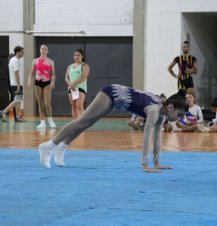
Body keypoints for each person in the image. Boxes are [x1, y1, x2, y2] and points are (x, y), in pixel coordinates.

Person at [38, 84, 188, 173]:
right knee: (82, 121)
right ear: (170, 106)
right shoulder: (154, 111)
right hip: (111, 93)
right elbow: (147, 137)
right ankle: (49, 146)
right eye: (179, 114)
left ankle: (62, 147)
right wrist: (145, 164)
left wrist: (156, 163)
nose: (179, 118)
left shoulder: (162, 114)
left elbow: (157, 139)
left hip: (117, 100)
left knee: (87, 123)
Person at [28, 44, 56, 129]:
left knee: (47, 104)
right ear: (40, 50)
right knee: (40, 103)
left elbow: (53, 74)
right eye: (42, 49)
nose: (44, 50)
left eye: (45, 49)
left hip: (47, 83)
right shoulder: (35, 61)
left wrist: (53, 81)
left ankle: (50, 120)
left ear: (47, 51)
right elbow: (31, 73)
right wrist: (29, 81)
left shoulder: (50, 61)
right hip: (38, 83)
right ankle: (42, 122)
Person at [0, 46, 24, 122]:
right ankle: (4, 111)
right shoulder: (15, 60)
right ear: (17, 52)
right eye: (22, 51)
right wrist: (18, 85)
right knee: (17, 100)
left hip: (14, 83)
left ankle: (17, 117)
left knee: (18, 100)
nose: (23, 53)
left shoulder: (12, 60)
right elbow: (16, 73)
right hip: (16, 84)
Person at [65, 49, 90, 119]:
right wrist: (70, 84)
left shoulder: (84, 66)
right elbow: (66, 78)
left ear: (82, 56)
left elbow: (84, 77)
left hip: (80, 88)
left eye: (79, 55)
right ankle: (75, 124)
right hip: (71, 88)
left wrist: (74, 83)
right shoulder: (70, 66)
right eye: (75, 55)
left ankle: (82, 123)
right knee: (73, 106)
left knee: (79, 105)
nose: (77, 56)